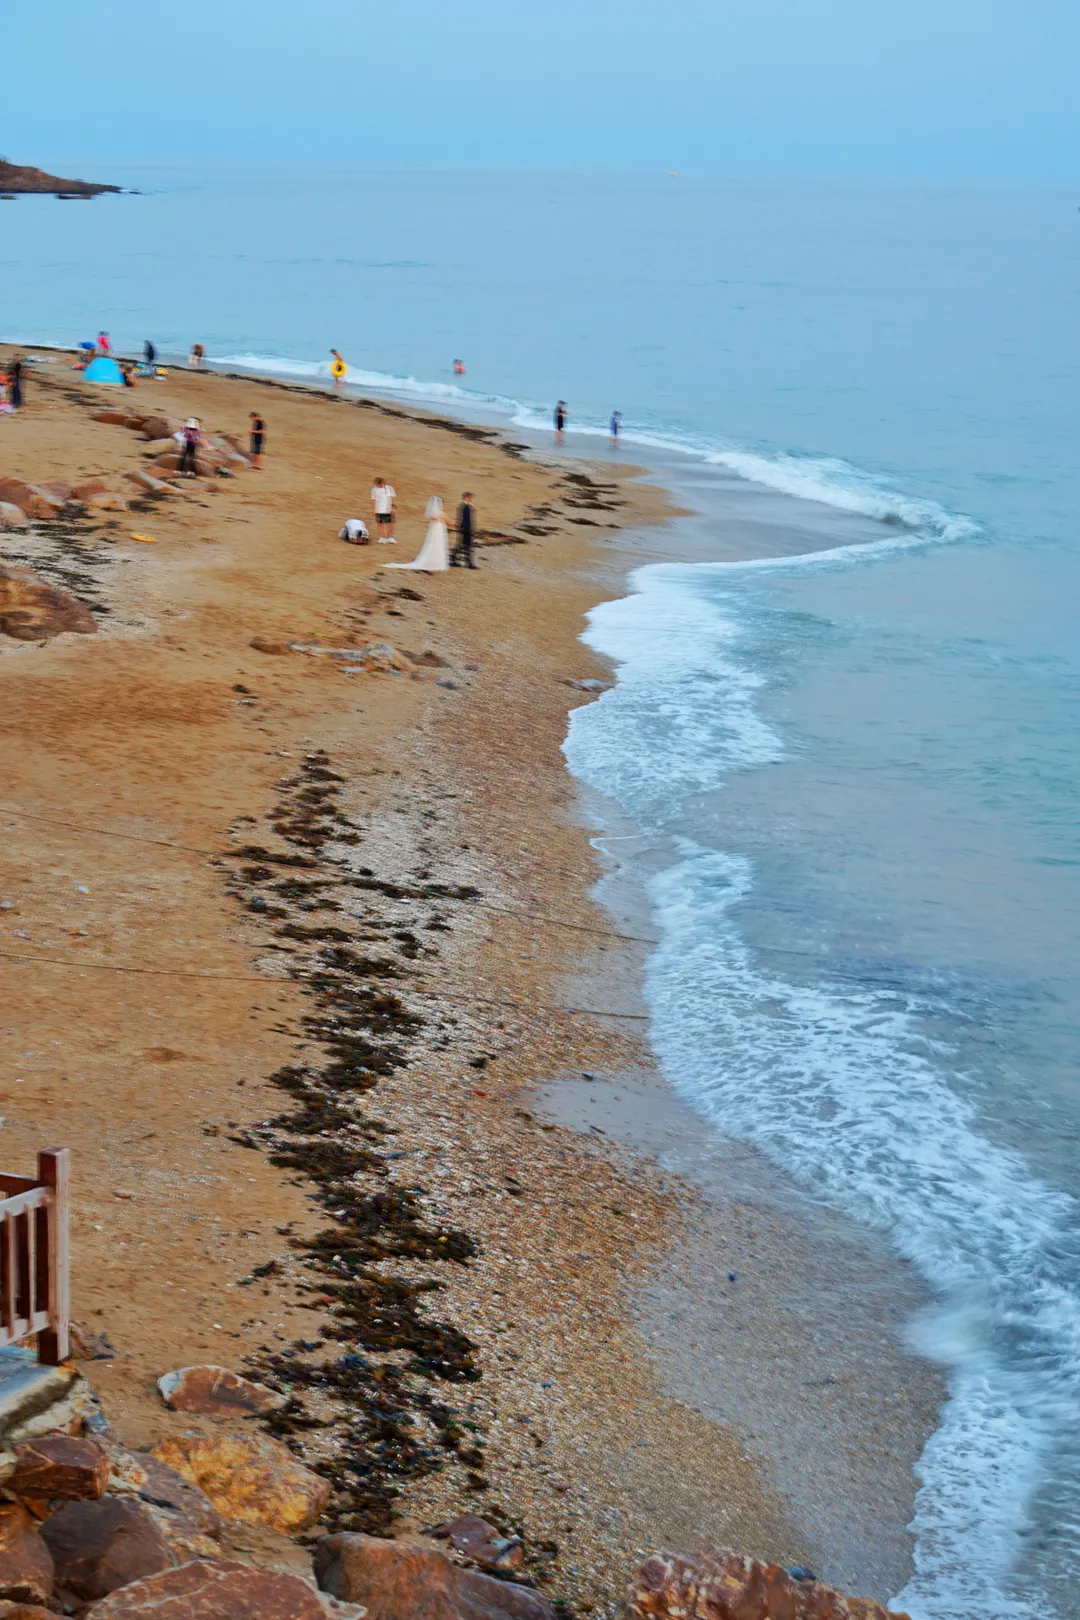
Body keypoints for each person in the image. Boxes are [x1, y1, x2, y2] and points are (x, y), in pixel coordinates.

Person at [385, 497, 450, 572]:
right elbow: (438, 519)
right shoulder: (439, 513)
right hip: (437, 530)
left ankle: (434, 561)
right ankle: (434, 562)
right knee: (435, 544)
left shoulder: (437, 512)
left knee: (435, 544)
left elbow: (435, 518)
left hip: (437, 529)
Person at [450, 492, 477, 569]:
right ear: (467, 498)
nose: (473, 500)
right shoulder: (465, 507)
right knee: (467, 546)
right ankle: (470, 564)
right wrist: (470, 530)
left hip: (464, 529)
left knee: (460, 546)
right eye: (471, 498)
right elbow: (466, 520)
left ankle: (454, 560)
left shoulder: (464, 506)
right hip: (466, 530)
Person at [370, 477, 396, 543]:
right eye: (379, 484)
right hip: (379, 509)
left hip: (389, 509)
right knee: (381, 524)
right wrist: (373, 510)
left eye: (381, 484)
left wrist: (393, 508)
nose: (381, 485)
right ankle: (381, 537)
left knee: (390, 524)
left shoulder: (390, 488)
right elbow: (373, 500)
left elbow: (393, 498)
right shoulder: (374, 490)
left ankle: (390, 537)